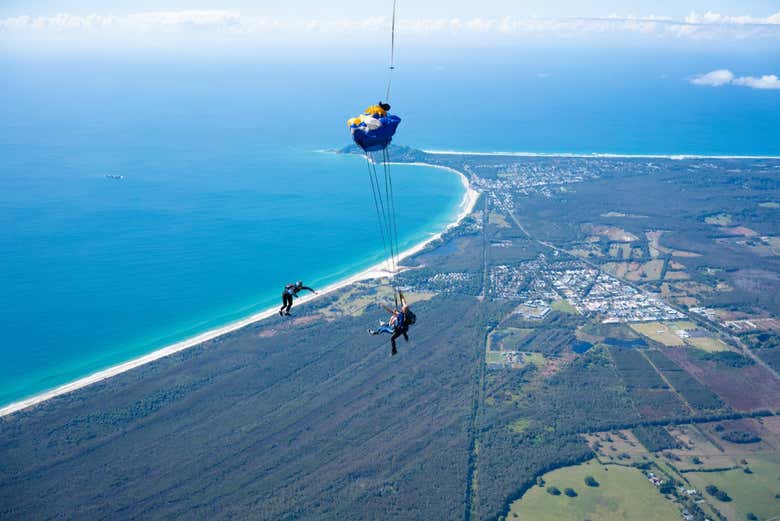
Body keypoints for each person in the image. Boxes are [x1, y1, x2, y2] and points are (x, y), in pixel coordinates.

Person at [368, 291, 411, 356]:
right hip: (404, 329)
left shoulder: (399, 315)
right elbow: (404, 303)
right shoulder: (406, 314)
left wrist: (384, 306)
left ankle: (375, 333)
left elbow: (390, 311)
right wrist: (401, 294)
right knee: (392, 331)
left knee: (385, 331)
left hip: (397, 330)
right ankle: (404, 336)